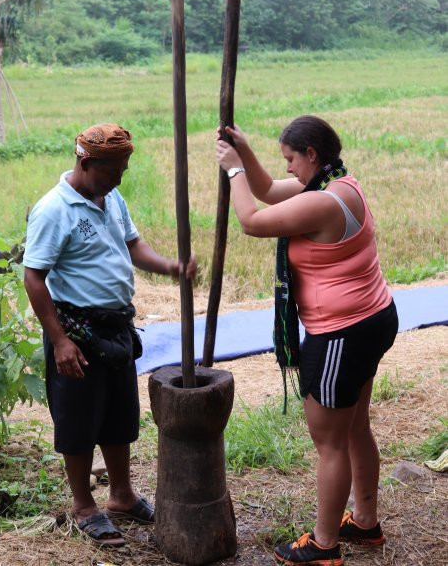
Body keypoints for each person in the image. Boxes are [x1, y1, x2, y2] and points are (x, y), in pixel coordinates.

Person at [215, 115, 398, 566]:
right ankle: (365, 520)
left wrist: (234, 169)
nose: (289, 169)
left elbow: (253, 220)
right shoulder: (338, 183)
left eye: (291, 160)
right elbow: (270, 193)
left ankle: (322, 546)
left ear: (311, 156)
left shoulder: (322, 204)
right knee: (355, 427)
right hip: (371, 318)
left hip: (342, 333)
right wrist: (245, 153)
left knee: (331, 442)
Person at [24, 123, 196, 548]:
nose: (121, 176)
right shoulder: (53, 210)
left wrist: (170, 267)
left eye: (124, 167)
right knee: (79, 420)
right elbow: (33, 278)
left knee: (120, 417)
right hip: (77, 332)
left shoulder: (110, 196)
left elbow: (134, 246)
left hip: (115, 328)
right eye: (113, 169)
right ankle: (85, 506)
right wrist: (61, 340)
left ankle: (121, 496)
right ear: (85, 162)